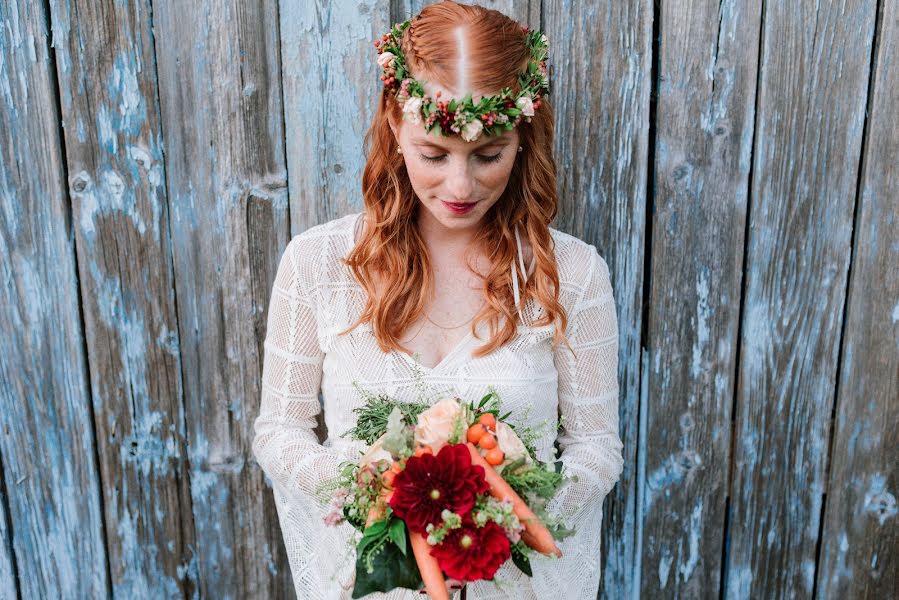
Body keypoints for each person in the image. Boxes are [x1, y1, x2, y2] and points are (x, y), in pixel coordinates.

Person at [251, 2, 624, 598]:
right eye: (433, 154)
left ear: (523, 137)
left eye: (488, 154)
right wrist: (373, 491)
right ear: (395, 126)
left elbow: (596, 448)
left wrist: (503, 509)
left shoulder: (571, 273)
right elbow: (281, 431)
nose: (459, 186)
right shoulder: (317, 264)